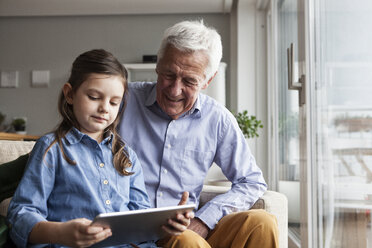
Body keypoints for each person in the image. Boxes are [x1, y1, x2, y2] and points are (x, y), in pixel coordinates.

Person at [6, 49, 193, 248]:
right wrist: (60, 233)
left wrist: (167, 223)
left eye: (114, 102)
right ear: (70, 94)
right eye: (94, 97)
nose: (105, 108)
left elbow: (140, 218)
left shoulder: (127, 155)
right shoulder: (51, 148)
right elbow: (21, 214)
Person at [119, 20, 279, 247]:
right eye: (168, 75)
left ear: (208, 80)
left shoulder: (217, 119)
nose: (175, 90)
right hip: (135, 233)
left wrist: (204, 220)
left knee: (262, 223)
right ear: (158, 64)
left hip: (188, 229)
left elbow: (251, 181)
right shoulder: (121, 102)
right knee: (185, 241)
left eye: (189, 81)